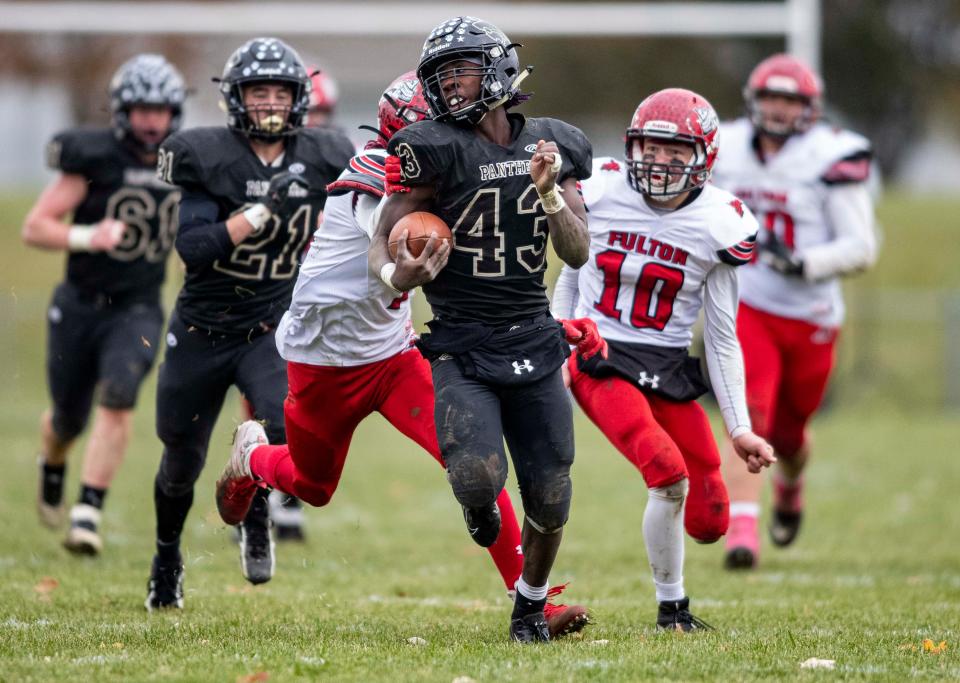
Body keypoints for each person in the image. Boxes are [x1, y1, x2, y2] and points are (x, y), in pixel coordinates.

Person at [215, 72, 589, 638]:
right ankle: (254, 458)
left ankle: (533, 600)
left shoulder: (454, 165)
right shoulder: (379, 172)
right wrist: (401, 267)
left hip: (392, 354)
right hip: (326, 360)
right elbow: (393, 236)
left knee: (470, 458)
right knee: (314, 488)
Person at [369, 18, 603, 643]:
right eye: (441, 77)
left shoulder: (552, 143)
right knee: (477, 478)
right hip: (462, 341)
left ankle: (529, 607)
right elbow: (381, 234)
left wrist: (551, 195)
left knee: (551, 495)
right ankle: (477, 507)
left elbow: (578, 253)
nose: (449, 87)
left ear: (499, 69)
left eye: (461, 71)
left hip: (531, 332)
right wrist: (398, 272)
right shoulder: (433, 147)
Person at [552, 88, 776, 630]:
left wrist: (739, 427)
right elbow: (571, 274)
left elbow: (722, 338)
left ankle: (676, 590)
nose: (660, 163)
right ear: (633, 147)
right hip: (599, 352)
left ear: (705, 158)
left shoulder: (719, 221)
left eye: (677, 153)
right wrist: (558, 343)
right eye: (651, 148)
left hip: (667, 364)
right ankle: (673, 608)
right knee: (667, 474)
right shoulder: (601, 188)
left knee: (709, 518)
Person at [145, 37, 353, 610]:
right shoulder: (206, 154)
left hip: (271, 326)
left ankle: (256, 513)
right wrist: (258, 213)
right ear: (236, 99)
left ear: (298, 98)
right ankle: (167, 557)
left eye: (279, 92)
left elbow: (379, 199)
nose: (268, 103)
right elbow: (191, 247)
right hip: (202, 329)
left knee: (283, 430)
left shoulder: (324, 153)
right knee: (180, 460)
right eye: (257, 91)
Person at [712, 54, 878, 570]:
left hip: (810, 313)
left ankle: (790, 486)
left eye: (790, 100)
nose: (779, 109)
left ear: (810, 108)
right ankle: (742, 531)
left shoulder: (832, 155)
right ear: (753, 100)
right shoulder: (728, 145)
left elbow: (862, 247)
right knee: (747, 414)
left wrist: (804, 263)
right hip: (748, 304)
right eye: (771, 98)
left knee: (789, 434)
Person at [22, 54, 185, 556]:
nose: (152, 120)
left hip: (137, 305)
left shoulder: (186, 158)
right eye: (142, 110)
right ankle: (53, 462)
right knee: (67, 419)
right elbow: (35, 226)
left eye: (160, 109)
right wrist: (91, 234)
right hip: (79, 303)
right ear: (122, 112)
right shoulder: (94, 156)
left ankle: (87, 511)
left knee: (118, 398)